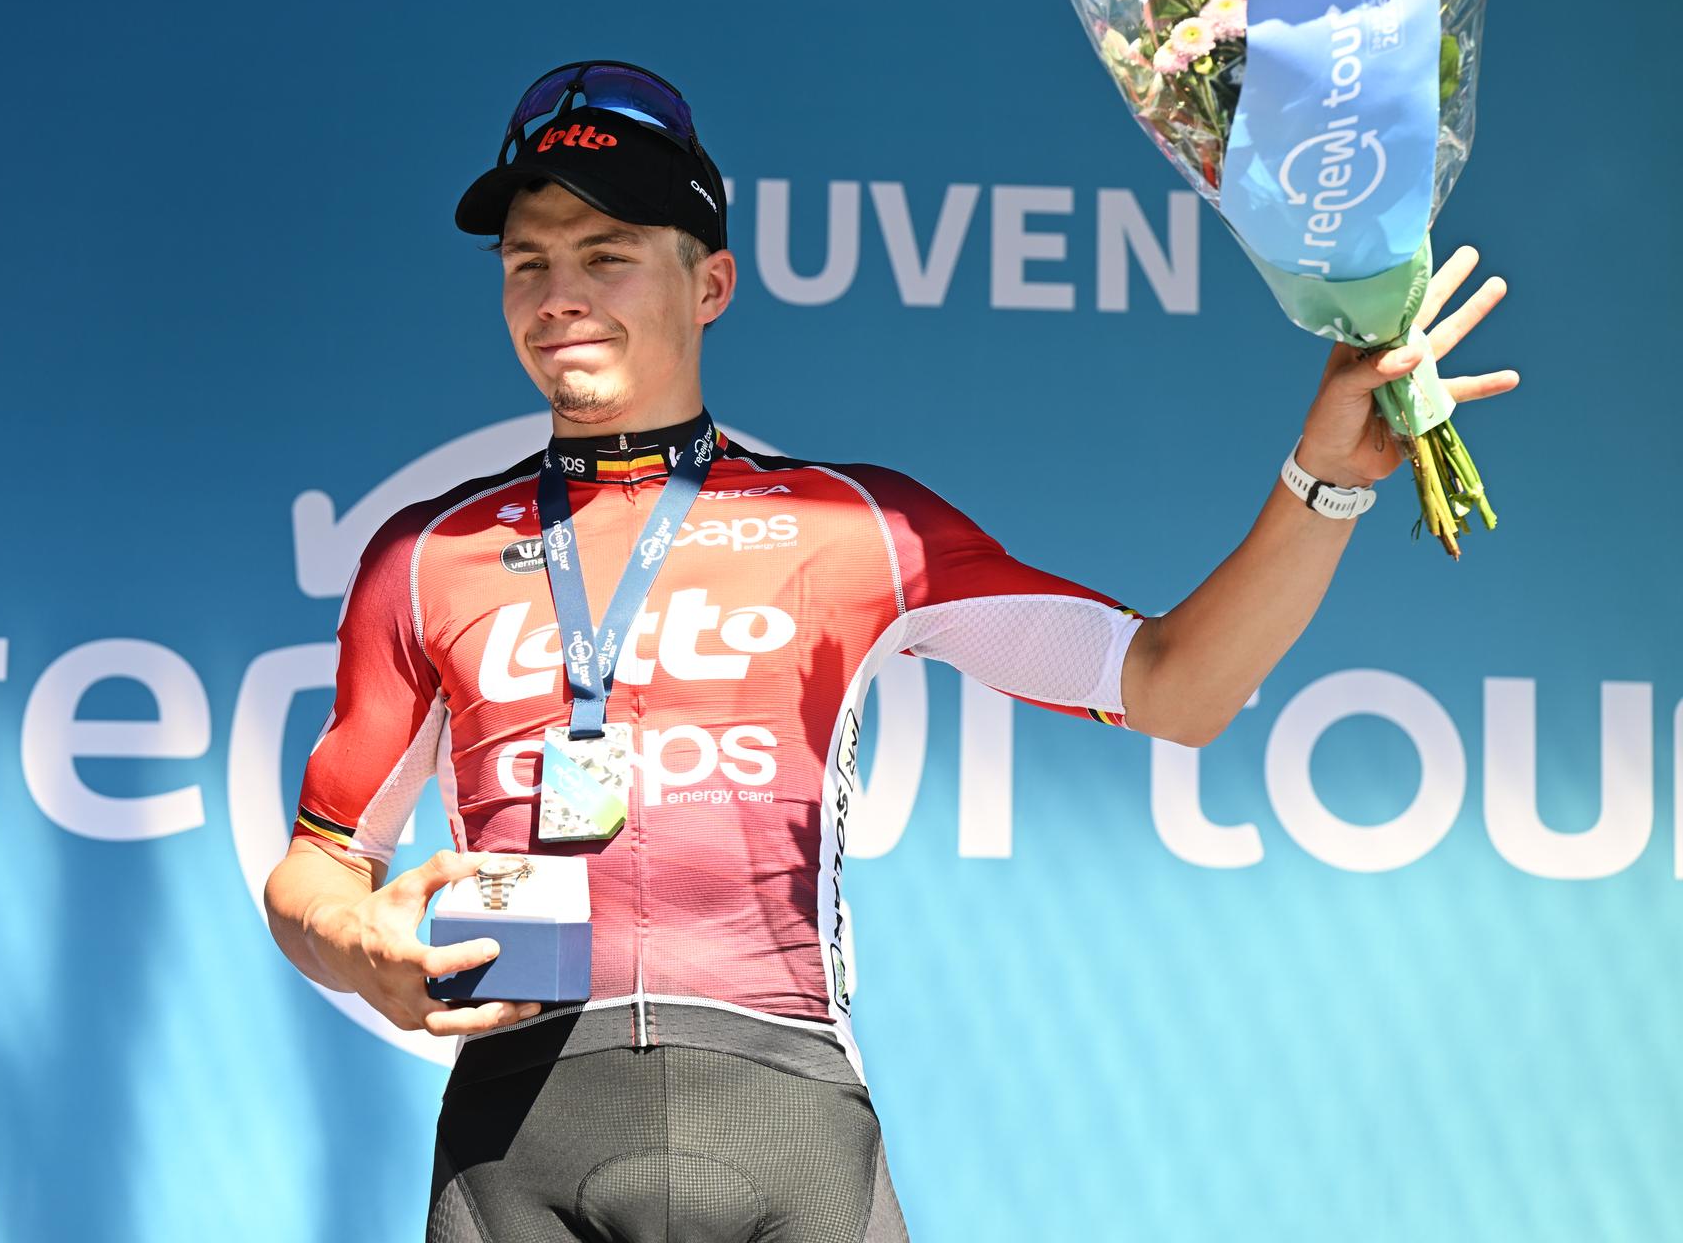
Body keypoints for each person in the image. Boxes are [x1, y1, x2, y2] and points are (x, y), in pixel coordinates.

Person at [262, 60, 1518, 1241]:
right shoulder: (425, 553)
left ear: (710, 284)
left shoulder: (850, 523)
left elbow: (1176, 687)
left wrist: (1327, 480)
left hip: (786, 1115)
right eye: (526, 262)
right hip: (516, 1138)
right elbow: (317, 866)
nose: (557, 295)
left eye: (606, 253)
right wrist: (366, 947)